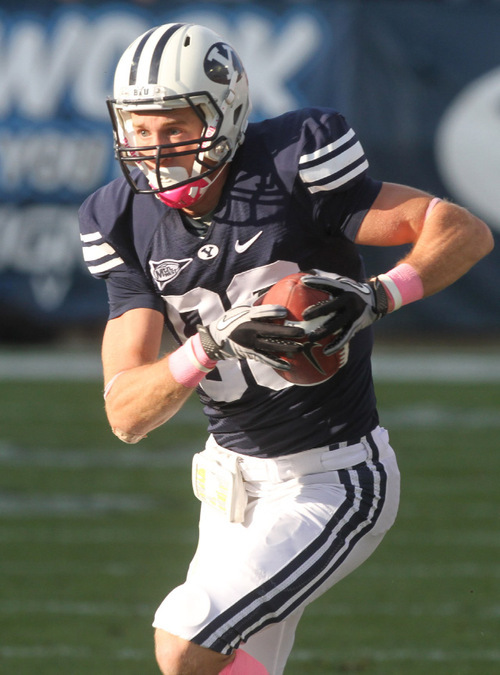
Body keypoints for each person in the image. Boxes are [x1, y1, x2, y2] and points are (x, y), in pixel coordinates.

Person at [78, 22, 493, 675]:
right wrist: (209, 342)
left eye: (176, 127)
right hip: (228, 488)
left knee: (184, 640)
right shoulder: (122, 218)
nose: (156, 148)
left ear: (226, 114)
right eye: (140, 128)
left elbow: (461, 232)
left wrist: (381, 293)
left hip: (331, 480)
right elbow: (126, 412)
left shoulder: (292, 165)